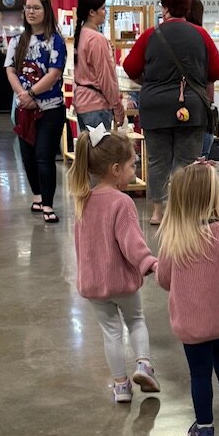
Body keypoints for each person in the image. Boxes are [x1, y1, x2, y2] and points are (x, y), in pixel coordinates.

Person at [156, 159, 219, 436]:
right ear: (214, 197)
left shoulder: (174, 237)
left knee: (199, 374)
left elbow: (164, 279)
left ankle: (204, 428)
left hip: (191, 324)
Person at [67, 125, 160, 403]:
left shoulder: (82, 200)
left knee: (111, 333)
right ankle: (143, 365)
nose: (135, 170)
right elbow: (132, 244)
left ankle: (121, 386)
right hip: (121, 281)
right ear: (116, 169)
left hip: (93, 284)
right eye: (132, 165)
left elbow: (81, 245)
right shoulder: (122, 203)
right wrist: (149, 263)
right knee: (136, 320)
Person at [123, 0, 219, 225]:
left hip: (155, 107)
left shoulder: (151, 34)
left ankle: (158, 212)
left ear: (165, 6)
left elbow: (130, 67)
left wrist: (149, 81)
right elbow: (216, 70)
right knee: (186, 160)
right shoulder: (200, 35)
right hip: (190, 106)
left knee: (157, 160)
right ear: (187, 7)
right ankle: (181, 211)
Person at [5, 0, 66, 223]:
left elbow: (54, 73)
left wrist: (31, 93)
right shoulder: (17, 41)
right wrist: (22, 95)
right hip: (24, 109)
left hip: (50, 108)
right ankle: (38, 196)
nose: (31, 12)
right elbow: (10, 70)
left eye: (36, 8)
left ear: (46, 10)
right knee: (28, 157)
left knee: (44, 156)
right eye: (28, 7)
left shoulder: (55, 41)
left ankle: (48, 204)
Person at [186, 0, 219, 158]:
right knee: (201, 155)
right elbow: (215, 68)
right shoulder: (201, 36)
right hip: (201, 102)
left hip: (179, 104)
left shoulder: (172, 35)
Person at [73, 0, 125, 132]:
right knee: (100, 146)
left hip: (82, 102)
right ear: (92, 12)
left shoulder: (81, 35)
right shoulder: (96, 39)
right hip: (96, 104)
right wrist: (117, 106)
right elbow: (105, 77)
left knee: (88, 145)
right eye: (102, 9)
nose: (105, 12)